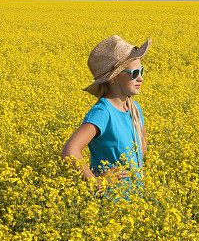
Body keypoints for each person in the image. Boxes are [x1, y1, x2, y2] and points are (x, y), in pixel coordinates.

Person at [61, 35, 149, 201]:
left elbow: (141, 146)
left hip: (135, 202)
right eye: (135, 73)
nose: (141, 78)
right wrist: (96, 182)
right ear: (114, 77)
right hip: (109, 204)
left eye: (142, 71)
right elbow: (70, 151)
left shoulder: (134, 109)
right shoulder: (103, 112)